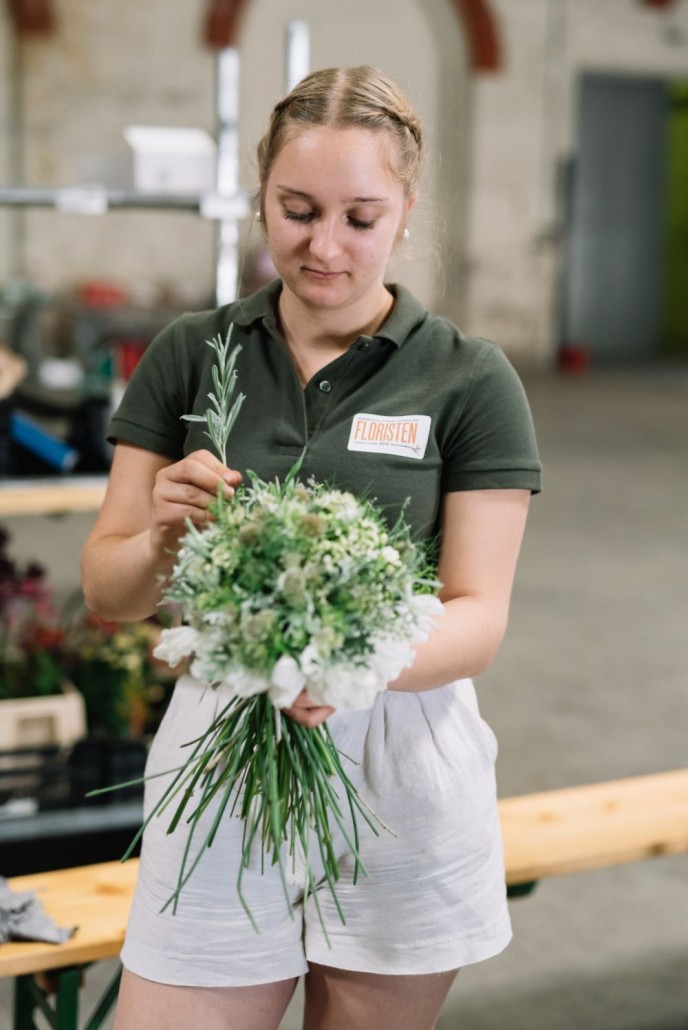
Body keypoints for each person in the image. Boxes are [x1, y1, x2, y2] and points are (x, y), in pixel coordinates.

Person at [81, 65, 541, 1030]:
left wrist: (343, 662)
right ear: (261, 197)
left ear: (405, 212)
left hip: (401, 766)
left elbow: (479, 616)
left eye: (360, 218)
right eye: (296, 210)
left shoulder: (470, 379)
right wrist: (162, 534)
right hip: (219, 751)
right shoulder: (192, 352)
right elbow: (109, 592)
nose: (324, 245)